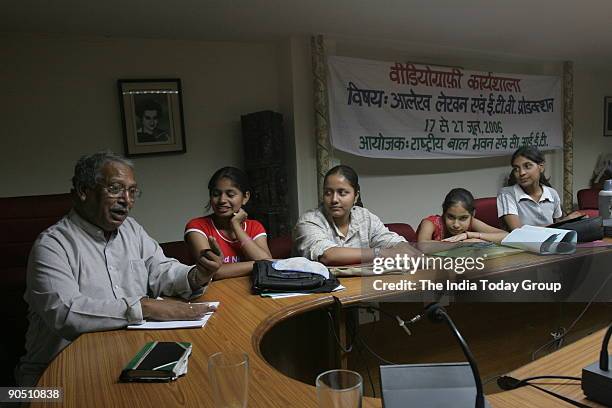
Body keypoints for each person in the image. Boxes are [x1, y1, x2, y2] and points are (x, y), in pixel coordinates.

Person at [16, 151, 222, 387]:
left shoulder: (131, 230)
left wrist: (197, 275)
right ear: (84, 191)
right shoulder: (52, 246)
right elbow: (66, 314)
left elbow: (162, 270)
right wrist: (143, 307)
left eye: (132, 191)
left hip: (127, 360)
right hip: (55, 376)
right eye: (115, 189)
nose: (126, 200)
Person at [294, 165, 418, 266]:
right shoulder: (309, 221)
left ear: (356, 195)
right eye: (328, 193)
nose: (334, 199)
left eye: (342, 193)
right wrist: (384, 254)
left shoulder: (365, 217)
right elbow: (328, 256)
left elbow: (393, 242)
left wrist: (404, 249)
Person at [185, 167, 272, 280]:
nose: (222, 200)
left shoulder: (255, 227)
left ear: (245, 197)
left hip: (250, 292)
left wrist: (236, 226)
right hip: (211, 293)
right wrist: (259, 264)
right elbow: (212, 272)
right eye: (216, 194)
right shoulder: (197, 227)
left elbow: (266, 262)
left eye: (230, 195)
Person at [497, 146, 582, 231]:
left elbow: (559, 227)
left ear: (541, 167)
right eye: (516, 169)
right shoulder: (506, 194)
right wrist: (564, 221)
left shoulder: (552, 193)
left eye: (527, 166)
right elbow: (518, 231)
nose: (521, 173)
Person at [417, 188, 508, 243]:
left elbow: (506, 236)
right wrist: (462, 244)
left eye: (463, 218)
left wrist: (472, 235)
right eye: (451, 217)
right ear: (444, 213)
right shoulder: (430, 223)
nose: (456, 224)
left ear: (473, 214)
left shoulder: (471, 222)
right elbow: (423, 245)